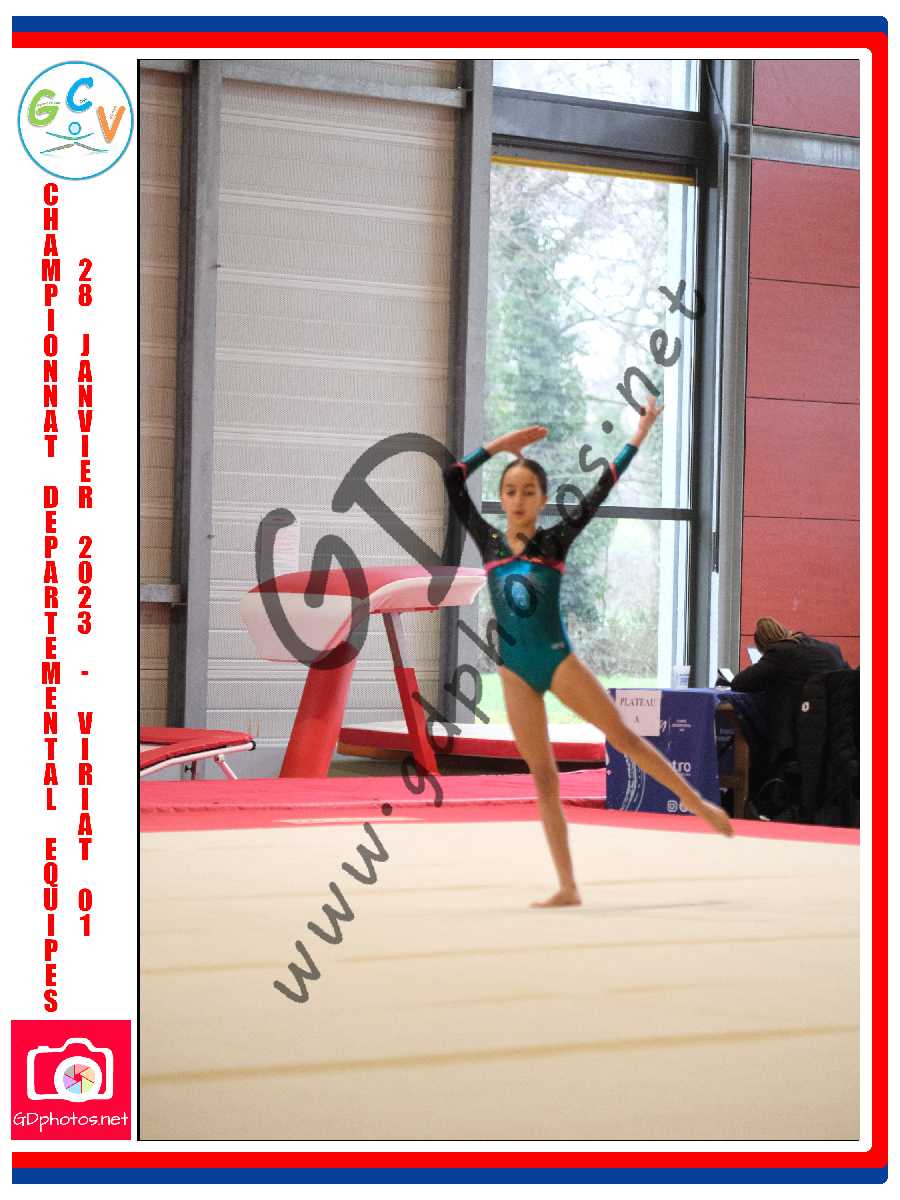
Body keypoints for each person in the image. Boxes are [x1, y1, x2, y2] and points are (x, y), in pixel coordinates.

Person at [442, 402, 734, 908]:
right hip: (514, 671)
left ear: (542, 499)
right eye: (510, 491)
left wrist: (640, 432)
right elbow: (452, 478)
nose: (517, 499)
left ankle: (699, 804)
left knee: (623, 736)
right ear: (501, 497)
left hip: (558, 662)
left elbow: (604, 485)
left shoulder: (555, 540)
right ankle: (568, 885)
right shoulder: (488, 543)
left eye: (527, 491)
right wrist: (501, 444)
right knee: (544, 776)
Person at [731, 617, 848, 776]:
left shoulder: (780, 652)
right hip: (838, 733)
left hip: (797, 737)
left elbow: (740, 683)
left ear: (764, 645)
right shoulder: (831, 649)